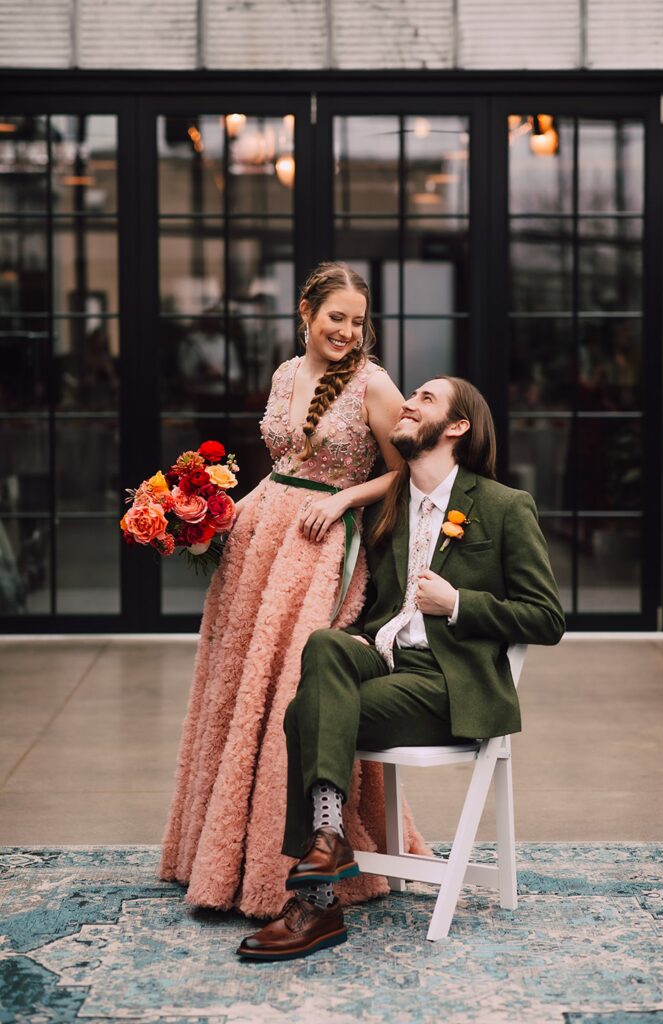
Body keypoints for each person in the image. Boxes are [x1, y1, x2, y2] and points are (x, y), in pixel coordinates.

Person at [237, 375, 566, 960]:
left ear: (457, 427)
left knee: (302, 716)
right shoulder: (391, 505)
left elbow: (547, 618)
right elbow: (376, 606)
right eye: (410, 397)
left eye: (427, 399)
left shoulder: (503, 507)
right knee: (325, 645)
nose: (408, 404)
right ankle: (329, 842)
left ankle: (317, 905)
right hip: (386, 662)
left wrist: (459, 603)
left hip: (449, 686)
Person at [159, 262, 430, 918]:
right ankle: (218, 853)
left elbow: (407, 475)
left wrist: (342, 505)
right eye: (335, 317)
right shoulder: (285, 373)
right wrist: (222, 514)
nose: (346, 330)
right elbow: (283, 465)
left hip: (320, 549)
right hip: (259, 540)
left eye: (356, 320)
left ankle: (292, 861)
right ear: (305, 314)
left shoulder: (374, 384)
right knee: (237, 685)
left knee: (289, 688)